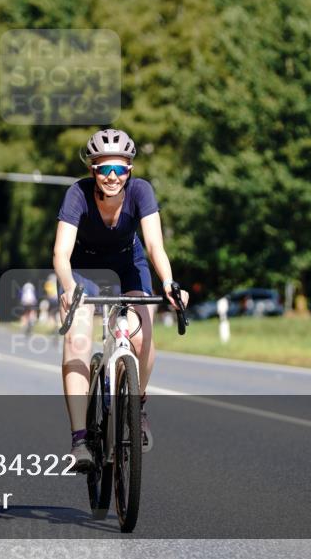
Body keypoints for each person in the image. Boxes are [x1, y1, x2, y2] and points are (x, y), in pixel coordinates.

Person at [53, 128, 188, 470]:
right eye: (104, 169)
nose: (112, 177)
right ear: (93, 170)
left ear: (129, 170)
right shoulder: (77, 194)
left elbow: (155, 245)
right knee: (77, 339)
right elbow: (61, 253)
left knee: (141, 335)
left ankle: (136, 406)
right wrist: (68, 287)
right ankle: (80, 439)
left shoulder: (141, 191)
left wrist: (169, 282)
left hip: (129, 265)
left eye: (119, 169)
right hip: (84, 268)